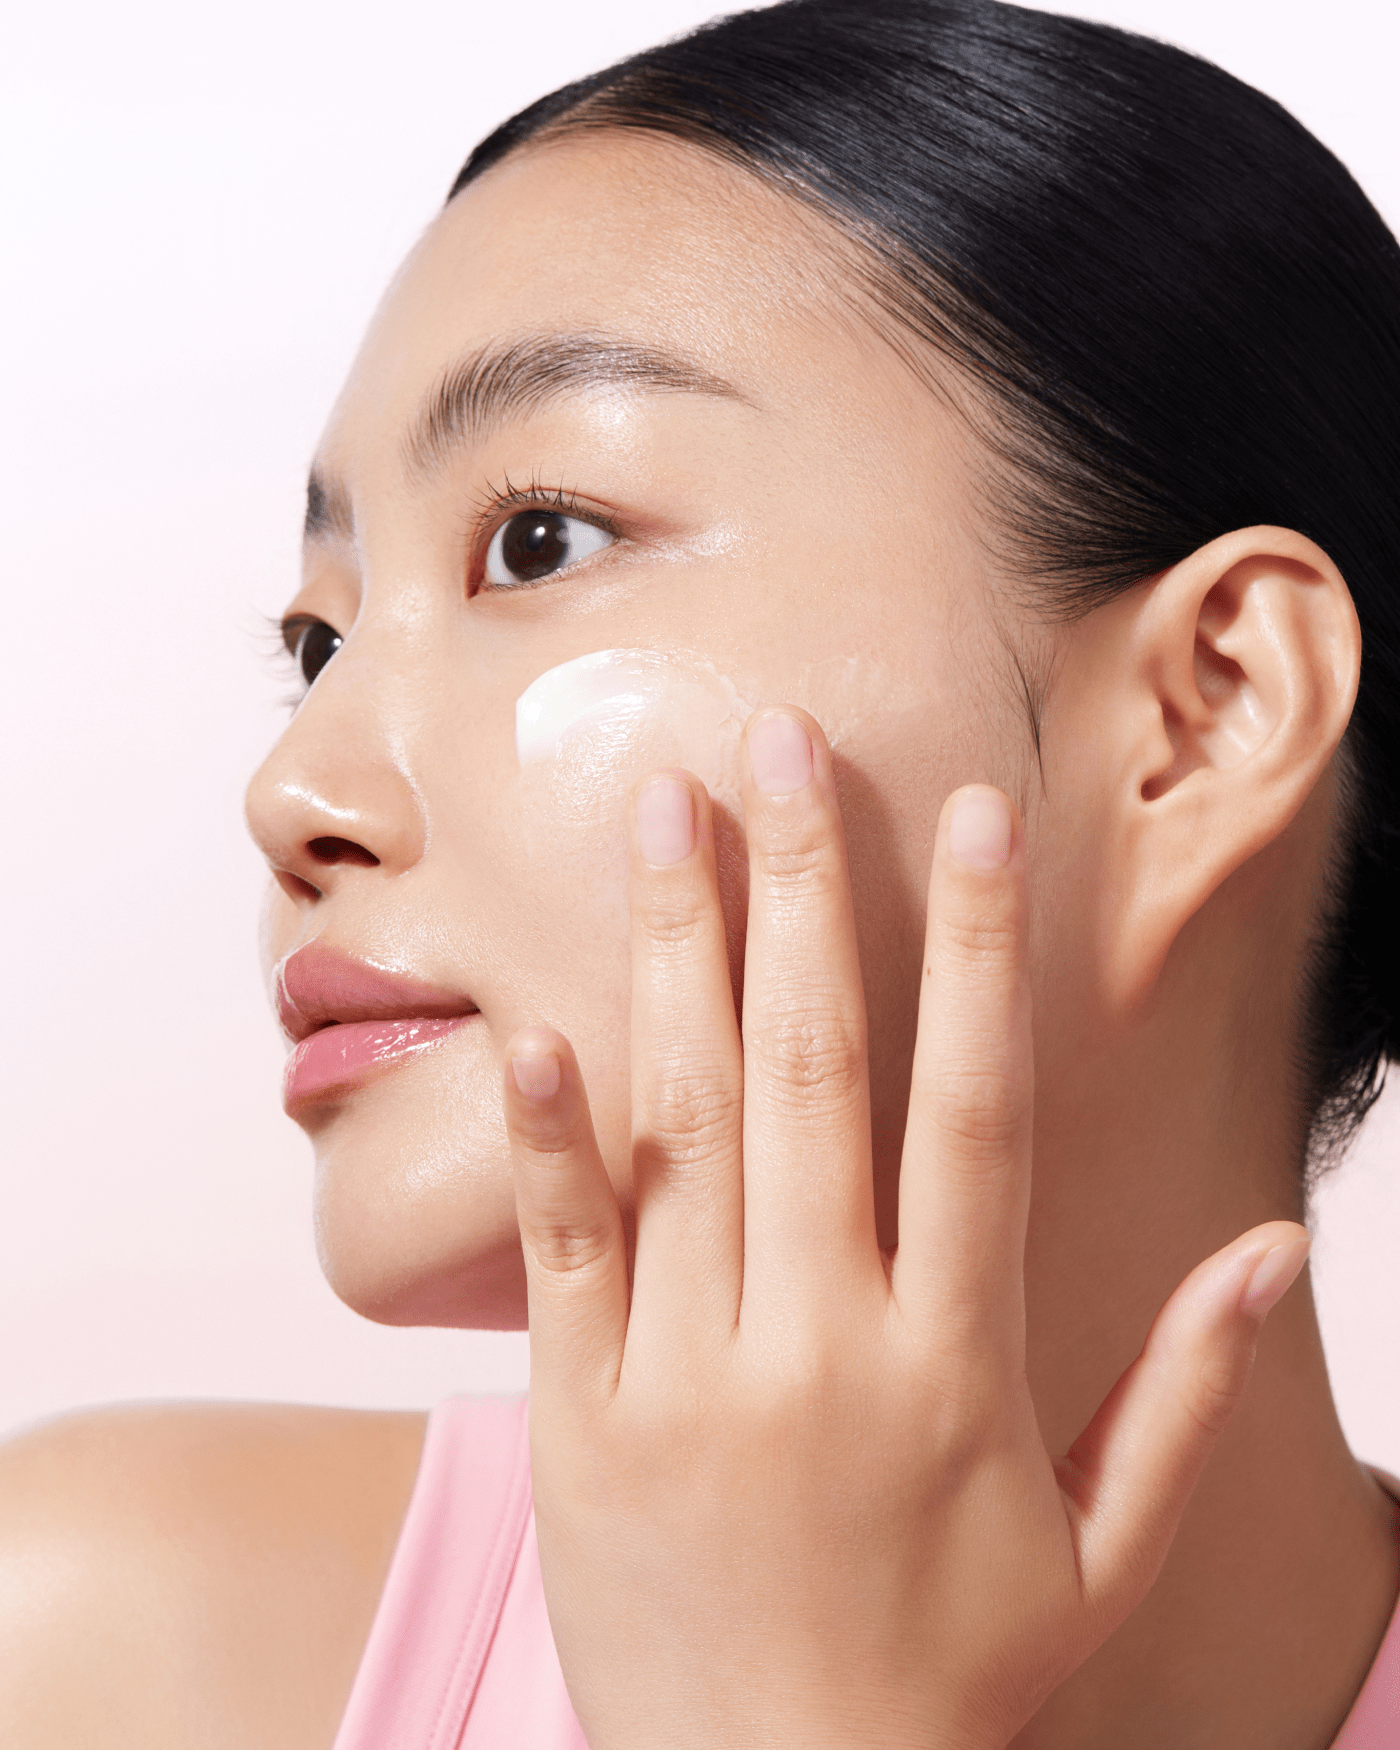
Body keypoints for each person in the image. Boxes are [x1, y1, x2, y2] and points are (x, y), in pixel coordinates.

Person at [2, 0, 1397, 1743]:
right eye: (317, 643)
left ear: (1210, 709)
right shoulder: (104, 1653)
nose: (294, 792)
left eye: (539, 542)